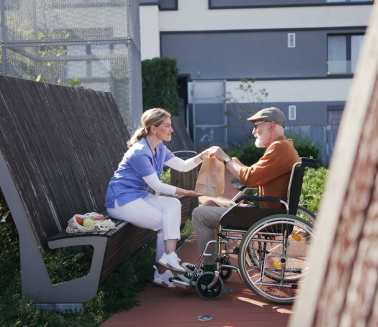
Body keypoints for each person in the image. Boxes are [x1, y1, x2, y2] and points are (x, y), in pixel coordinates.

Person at [178, 107, 301, 284]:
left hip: (266, 216)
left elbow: (249, 179)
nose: (253, 131)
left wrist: (226, 159)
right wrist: (234, 163)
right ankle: (214, 261)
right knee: (209, 204)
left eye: (257, 126)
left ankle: (209, 269)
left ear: (271, 125)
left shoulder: (279, 148)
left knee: (199, 214)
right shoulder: (284, 146)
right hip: (268, 211)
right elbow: (253, 175)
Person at [105, 108, 213, 288]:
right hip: (121, 201)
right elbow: (157, 186)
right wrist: (189, 192)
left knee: (173, 204)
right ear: (154, 128)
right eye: (167, 126)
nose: (172, 130)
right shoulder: (140, 152)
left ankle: (167, 260)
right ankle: (163, 273)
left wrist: (204, 155)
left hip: (139, 196)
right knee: (164, 222)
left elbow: (183, 166)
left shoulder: (159, 147)